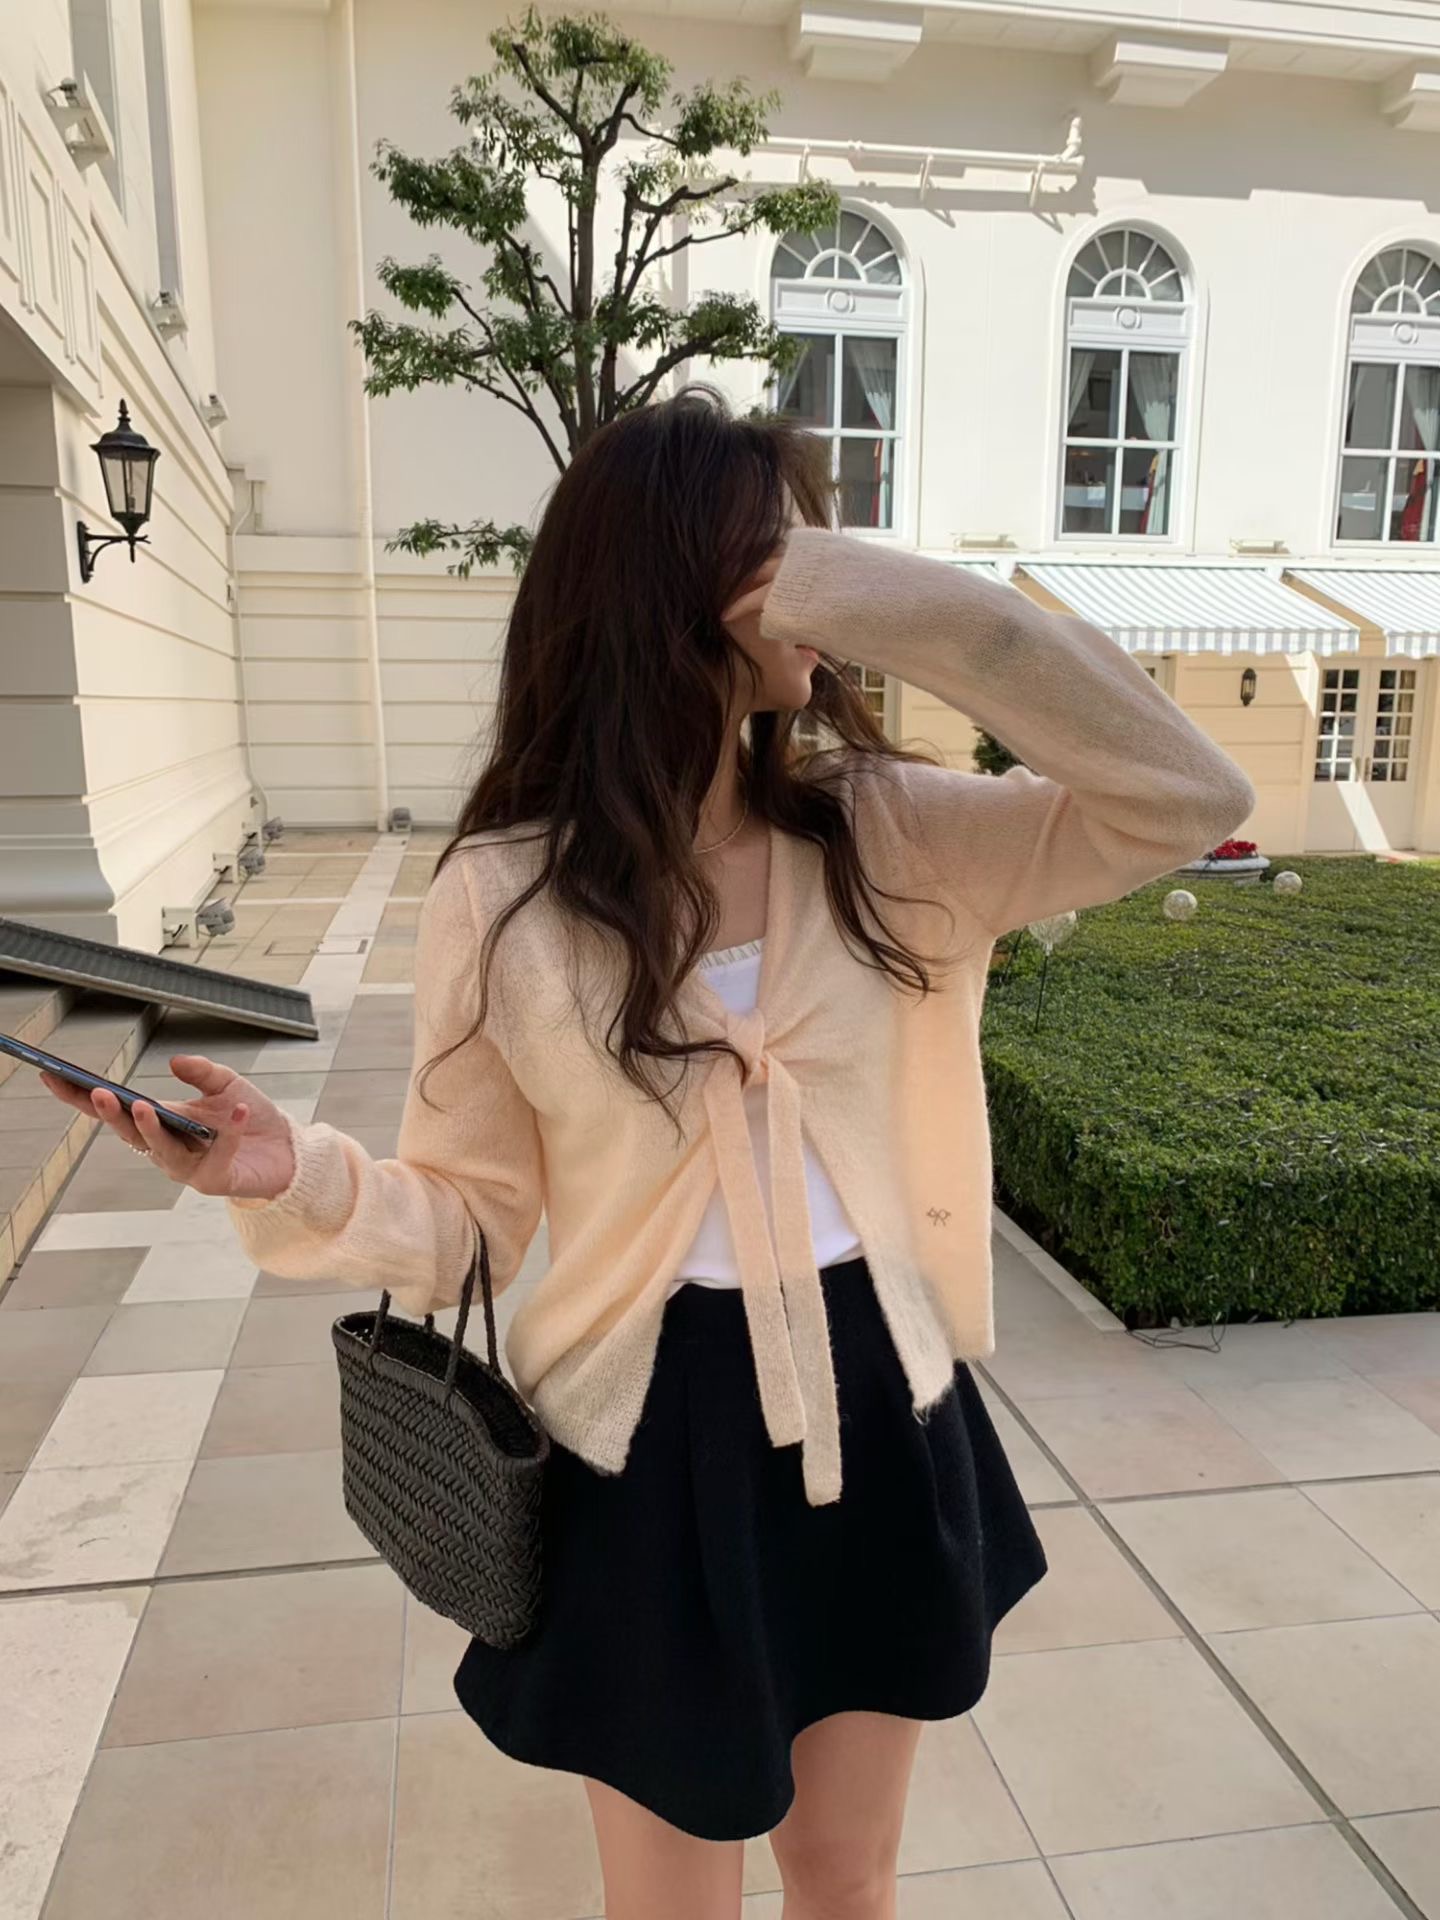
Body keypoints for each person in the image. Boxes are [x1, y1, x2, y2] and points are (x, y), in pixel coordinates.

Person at [41, 387, 1255, 1920]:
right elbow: (474, 1219)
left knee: (848, 1881)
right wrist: (296, 1176)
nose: (813, 583)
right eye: (777, 552)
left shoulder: (893, 835)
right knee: (671, 1906)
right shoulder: (508, 896)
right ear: (678, 587)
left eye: (818, 555)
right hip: (650, 1434)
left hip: (874, 1398)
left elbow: (1189, 795)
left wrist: (877, 593)